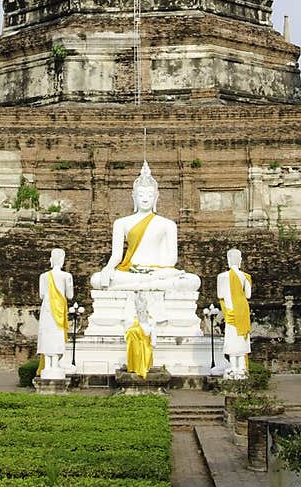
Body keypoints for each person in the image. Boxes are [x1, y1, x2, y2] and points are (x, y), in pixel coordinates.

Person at [91, 161, 200, 318]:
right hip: (130, 272)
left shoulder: (167, 224)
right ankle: (146, 284)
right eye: (141, 195)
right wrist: (108, 269)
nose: (145, 199)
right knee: (97, 279)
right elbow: (116, 256)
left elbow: (172, 259)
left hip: (157, 272)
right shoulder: (121, 223)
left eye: (149, 195)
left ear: (156, 197)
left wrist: (153, 271)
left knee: (191, 280)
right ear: (134, 196)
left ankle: (143, 284)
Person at [36, 248, 74, 379]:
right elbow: (70, 295)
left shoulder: (44, 276)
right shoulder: (67, 276)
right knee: (57, 334)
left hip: (47, 307)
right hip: (59, 307)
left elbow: (41, 295)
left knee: (47, 333)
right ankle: (55, 363)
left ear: (51, 260)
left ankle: (47, 365)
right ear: (63, 261)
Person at [216, 247, 252, 380]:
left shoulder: (222, 276)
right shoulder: (246, 277)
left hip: (231, 310)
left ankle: (233, 367)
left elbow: (220, 294)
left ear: (228, 260)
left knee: (232, 338)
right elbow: (248, 295)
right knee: (243, 337)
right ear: (240, 260)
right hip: (242, 310)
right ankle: (242, 368)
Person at [124, 293, 155, 379]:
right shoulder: (133, 321)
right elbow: (127, 332)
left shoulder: (150, 321)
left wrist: (153, 341)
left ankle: (144, 367)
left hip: (146, 344)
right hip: (135, 346)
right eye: (139, 312)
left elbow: (152, 330)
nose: (141, 313)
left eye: (143, 311)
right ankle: (136, 367)